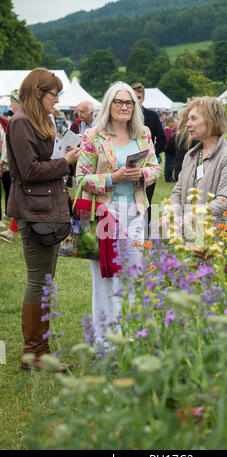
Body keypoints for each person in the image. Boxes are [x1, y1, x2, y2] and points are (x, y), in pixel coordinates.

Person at [6, 68, 80, 372]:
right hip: (33, 211)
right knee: (39, 280)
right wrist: (65, 162)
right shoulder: (21, 122)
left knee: (45, 281)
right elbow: (28, 171)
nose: (57, 99)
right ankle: (35, 354)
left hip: (46, 208)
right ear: (38, 93)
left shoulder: (37, 120)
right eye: (54, 94)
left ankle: (40, 350)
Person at [76, 81, 160, 346]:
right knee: (104, 278)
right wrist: (112, 178)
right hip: (103, 214)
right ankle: (104, 343)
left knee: (133, 275)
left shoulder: (143, 133)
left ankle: (128, 338)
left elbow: (155, 168)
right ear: (109, 104)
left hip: (136, 212)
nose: (124, 107)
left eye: (129, 103)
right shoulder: (93, 136)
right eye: (119, 102)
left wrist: (141, 174)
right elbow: (80, 178)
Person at [170, 96, 227, 237]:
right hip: (188, 235)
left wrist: (192, 216)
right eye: (188, 119)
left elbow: (225, 200)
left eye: (193, 118)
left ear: (211, 120)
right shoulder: (191, 156)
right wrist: (172, 213)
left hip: (216, 237)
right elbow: (177, 192)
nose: (188, 124)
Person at [131, 83, 165, 225]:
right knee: (130, 200)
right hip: (128, 164)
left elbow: (162, 138)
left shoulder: (151, 116)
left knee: (147, 201)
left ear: (143, 98)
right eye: (133, 97)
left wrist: (152, 154)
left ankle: (145, 233)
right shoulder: (123, 118)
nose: (136, 100)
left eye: (138, 97)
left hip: (147, 165)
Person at [0, 90, 21, 242]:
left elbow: (9, 145)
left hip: (19, 166)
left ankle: (12, 231)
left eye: (11, 103)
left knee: (19, 196)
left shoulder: (18, 119)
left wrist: (3, 162)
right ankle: (12, 230)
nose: (10, 106)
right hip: (20, 165)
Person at [166, 107, 199, 181]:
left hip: (181, 170)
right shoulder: (199, 136)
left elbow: (170, 150)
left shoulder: (177, 136)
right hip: (193, 171)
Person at [164, 116, 176, 182]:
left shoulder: (170, 130)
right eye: (172, 122)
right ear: (169, 123)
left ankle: (170, 177)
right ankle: (168, 178)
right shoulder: (166, 130)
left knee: (171, 164)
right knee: (168, 164)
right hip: (169, 150)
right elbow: (168, 140)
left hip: (172, 150)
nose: (174, 123)